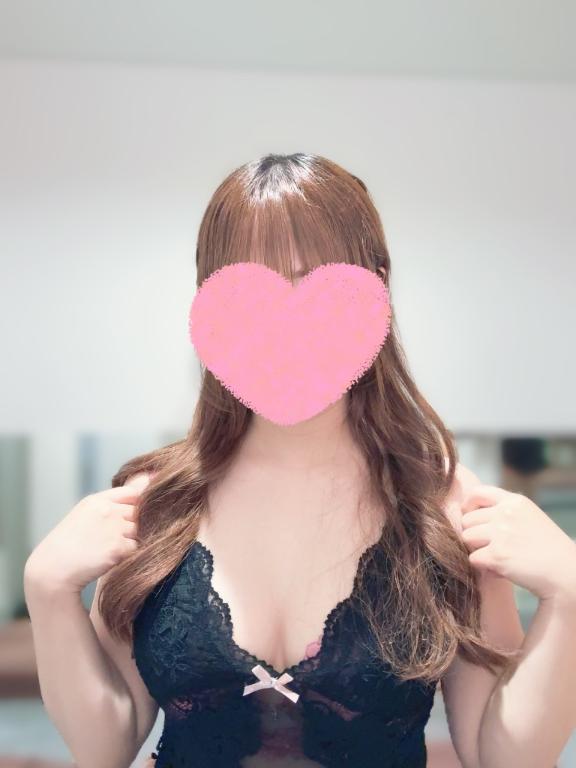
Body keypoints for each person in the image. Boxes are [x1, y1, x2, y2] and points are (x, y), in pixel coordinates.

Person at [23, 153, 527, 768]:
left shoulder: (442, 508)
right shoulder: (156, 504)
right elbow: (104, 746)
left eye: (313, 280)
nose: (287, 322)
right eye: (250, 287)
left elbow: (504, 757)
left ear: (377, 292)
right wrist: (47, 590)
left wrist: (570, 601)